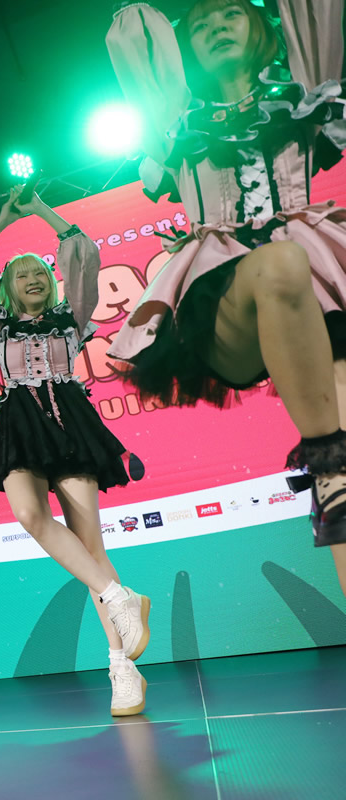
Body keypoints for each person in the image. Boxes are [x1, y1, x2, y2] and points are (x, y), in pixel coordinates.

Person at [106, 0, 346, 591]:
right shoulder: (176, 119)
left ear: (262, 25)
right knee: (278, 264)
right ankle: (327, 459)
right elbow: (134, 35)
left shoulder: (301, 94)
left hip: (315, 284)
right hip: (222, 292)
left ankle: (332, 480)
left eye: (231, 14)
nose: (216, 25)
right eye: (202, 22)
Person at [0, 186, 151, 716]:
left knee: (91, 547)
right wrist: (2, 220)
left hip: (71, 422)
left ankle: (122, 668)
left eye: (39, 272)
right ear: (9, 288)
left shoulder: (73, 316)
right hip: (20, 423)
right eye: (22, 276)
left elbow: (83, 255)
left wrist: (41, 210)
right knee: (29, 514)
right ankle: (121, 597)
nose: (33, 280)